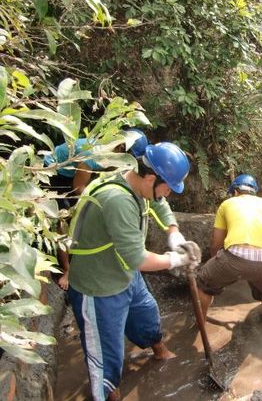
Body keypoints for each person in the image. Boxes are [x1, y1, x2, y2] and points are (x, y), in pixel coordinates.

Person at [67, 142, 200, 401]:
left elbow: (159, 203)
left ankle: (160, 352)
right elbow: (138, 258)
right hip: (98, 286)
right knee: (107, 359)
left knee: (147, 317)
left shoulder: (136, 178)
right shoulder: (118, 200)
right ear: (151, 177)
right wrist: (174, 259)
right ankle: (107, 393)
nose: (169, 194)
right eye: (168, 187)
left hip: (124, 273)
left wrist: (175, 235)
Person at [46, 129, 150, 290]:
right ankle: (67, 269)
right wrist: (99, 205)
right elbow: (79, 188)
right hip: (52, 173)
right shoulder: (93, 156)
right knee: (65, 219)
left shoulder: (111, 152)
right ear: (122, 148)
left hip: (72, 173)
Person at [196, 174, 262, 321]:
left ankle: (200, 323)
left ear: (235, 191)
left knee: (204, 282)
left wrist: (216, 263)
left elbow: (216, 243)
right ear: (254, 192)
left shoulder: (227, 204)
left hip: (234, 258)